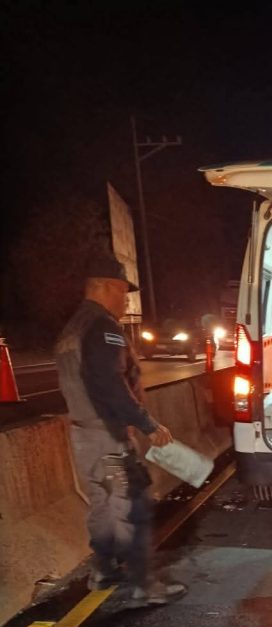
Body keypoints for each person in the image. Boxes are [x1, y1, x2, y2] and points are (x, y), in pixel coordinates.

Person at [55, 253, 186, 606]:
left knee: (102, 504)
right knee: (132, 507)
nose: (126, 301)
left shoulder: (72, 328)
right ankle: (144, 585)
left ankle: (103, 569)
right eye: (123, 292)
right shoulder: (103, 328)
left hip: (84, 436)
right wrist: (147, 424)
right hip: (109, 437)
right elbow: (111, 386)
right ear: (105, 286)